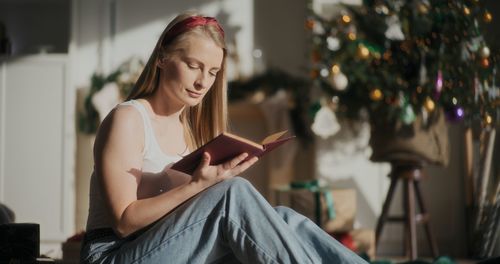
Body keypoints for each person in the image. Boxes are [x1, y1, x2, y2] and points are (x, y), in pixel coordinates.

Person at [80, 11, 368, 264]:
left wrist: (212, 182)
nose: (202, 81)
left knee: (285, 219)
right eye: (193, 65)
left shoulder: (188, 131)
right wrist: (197, 186)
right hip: (114, 253)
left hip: (163, 245)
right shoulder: (128, 118)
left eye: (213, 72)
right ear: (163, 58)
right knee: (234, 194)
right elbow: (124, 222)